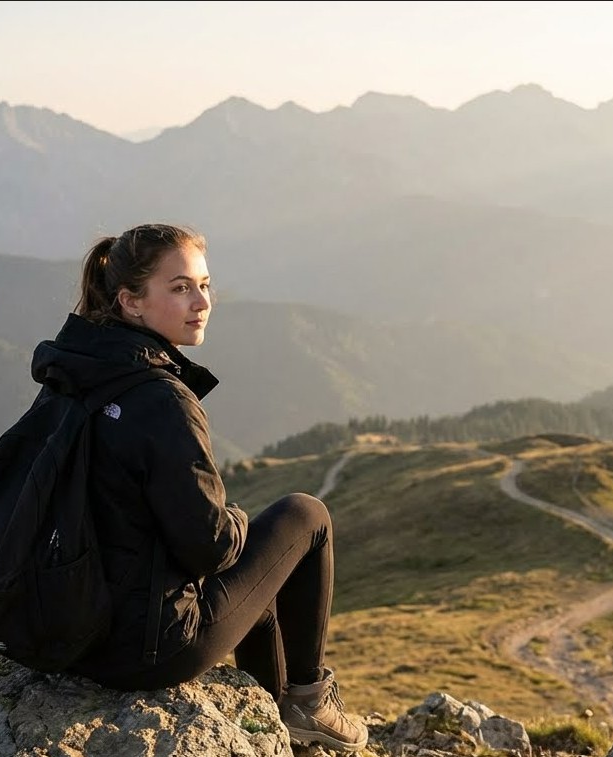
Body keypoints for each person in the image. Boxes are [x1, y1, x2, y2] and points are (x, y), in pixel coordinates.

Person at [31, 223, 367, 752]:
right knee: (306, 515)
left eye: (205, 285)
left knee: (257, 587)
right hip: (146, 648)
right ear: (131, 302)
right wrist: (234, 520)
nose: (201, 301)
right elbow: (209, 547)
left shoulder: (71, 372)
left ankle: (277, 717)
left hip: (65, 632)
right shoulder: (161, 399)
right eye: (180, 287)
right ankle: (308, 699)